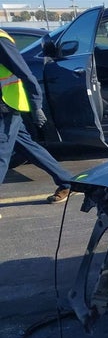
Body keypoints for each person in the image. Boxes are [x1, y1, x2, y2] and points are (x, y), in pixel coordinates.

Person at [0, 27, 72, 219]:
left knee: (1, 154)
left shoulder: (1, 41)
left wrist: (36, 106)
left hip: (7, 107)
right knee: (28, 147)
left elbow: (25, 73)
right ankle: (67, 181)